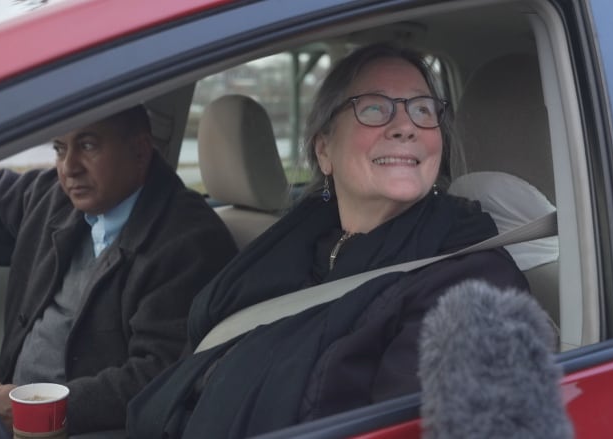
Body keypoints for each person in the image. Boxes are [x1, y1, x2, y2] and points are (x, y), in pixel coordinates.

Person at [126, 43, 530, 438]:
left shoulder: (473, 286)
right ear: (324, 151)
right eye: (374, 108)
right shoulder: (288, 246)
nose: (406, 126)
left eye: (423, 110)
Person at [0, 105, 238, 434]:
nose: (69, 167)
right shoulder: (56, 197)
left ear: (139, 150)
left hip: (68, 426)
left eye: (88, 145)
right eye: (60, 149)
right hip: (14, 401)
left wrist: (35, 408)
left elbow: (158, 375)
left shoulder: (187, 240)